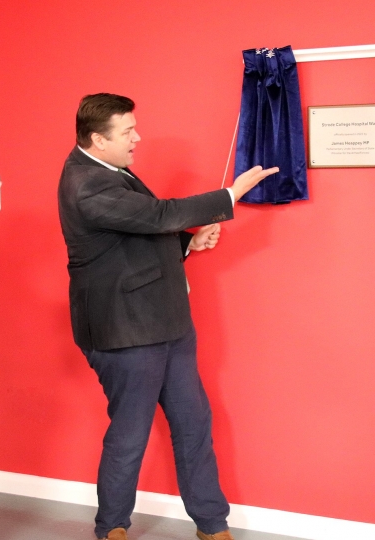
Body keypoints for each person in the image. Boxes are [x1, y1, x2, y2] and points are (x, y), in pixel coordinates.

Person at [57, 93, 278, 540]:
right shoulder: (86, 182)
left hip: (167, 323)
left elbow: (132, 236)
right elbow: (158, 215)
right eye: (128, 132)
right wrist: (229, 195)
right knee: (130, 436)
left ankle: (212, 525)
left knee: (194, 423)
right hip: (126, 332)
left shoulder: (110, 170)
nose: (138, 138)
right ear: (98, 140)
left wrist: (187, 245)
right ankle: (112, 527)